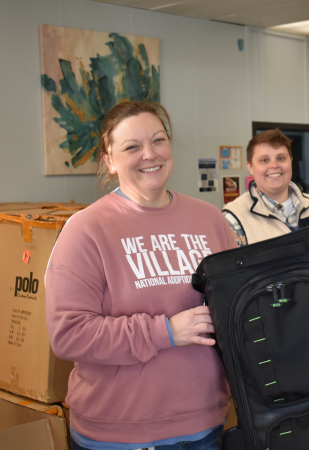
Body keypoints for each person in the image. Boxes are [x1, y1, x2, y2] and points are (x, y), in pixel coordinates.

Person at [46, 101, 235, 450]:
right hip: (119, 435)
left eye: (158, 141)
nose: (150, 154)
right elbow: (68, 335)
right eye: (132, 146)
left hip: (205, 424)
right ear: (109, 159)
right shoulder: (86, 230)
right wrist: (164, 331)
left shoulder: (210, 220)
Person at [222, 128, 309, 247]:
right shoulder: (233, 219)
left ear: (290, 161)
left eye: (281, 158)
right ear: (250, 167)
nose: (274, 166)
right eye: (264, 160)